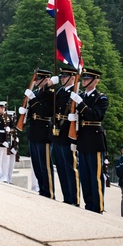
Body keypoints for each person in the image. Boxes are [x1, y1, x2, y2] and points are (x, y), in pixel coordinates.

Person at [75, 67, 108, 213]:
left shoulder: (101, 98)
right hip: (82, 138)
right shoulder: (82, 95)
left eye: (87, 79)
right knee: (85, 176)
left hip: (94, 139)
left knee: (96, 176)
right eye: (84, 79)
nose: (84, 81)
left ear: (96, 81)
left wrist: (80, 104)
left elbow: (95, 115)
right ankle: (88, 205)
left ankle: (98, 207)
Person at [21, 69, 56, 199]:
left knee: (45, 165)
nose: (35, 82)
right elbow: (33, 111)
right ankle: (42, 190)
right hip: (34, 130)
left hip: (44, 131)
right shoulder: (36, 93)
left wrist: (33, 100)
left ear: (46, 80)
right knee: (36, 164)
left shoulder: (50, 93)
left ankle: (49, 192)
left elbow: (45, 112)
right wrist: (24, 110)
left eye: (38, 79)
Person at [51, 66, 80, 206]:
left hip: (68, 134)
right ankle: (67, 197)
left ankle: (74, 199)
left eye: (65, 77)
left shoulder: (75, 94)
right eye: (61, 76)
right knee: (61, 168)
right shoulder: (59, 91)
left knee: (70, 168)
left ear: (73, 78)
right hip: (57, 133)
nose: (62, 78)